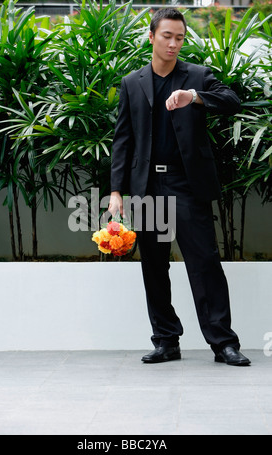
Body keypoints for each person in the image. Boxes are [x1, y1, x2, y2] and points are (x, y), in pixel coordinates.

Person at [109, 8, 251, 366]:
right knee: (154, 266)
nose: (174, 44)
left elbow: (233, 102)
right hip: (147, 186)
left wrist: (196, 97)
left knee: (204, 263)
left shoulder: (197, 76)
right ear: (152, 35)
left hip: (186, 183)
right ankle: (166, 341)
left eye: (180, 38)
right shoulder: (132, 82)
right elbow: (122, 140)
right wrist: (115, 191)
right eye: (167, 36)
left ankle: (223, 343)